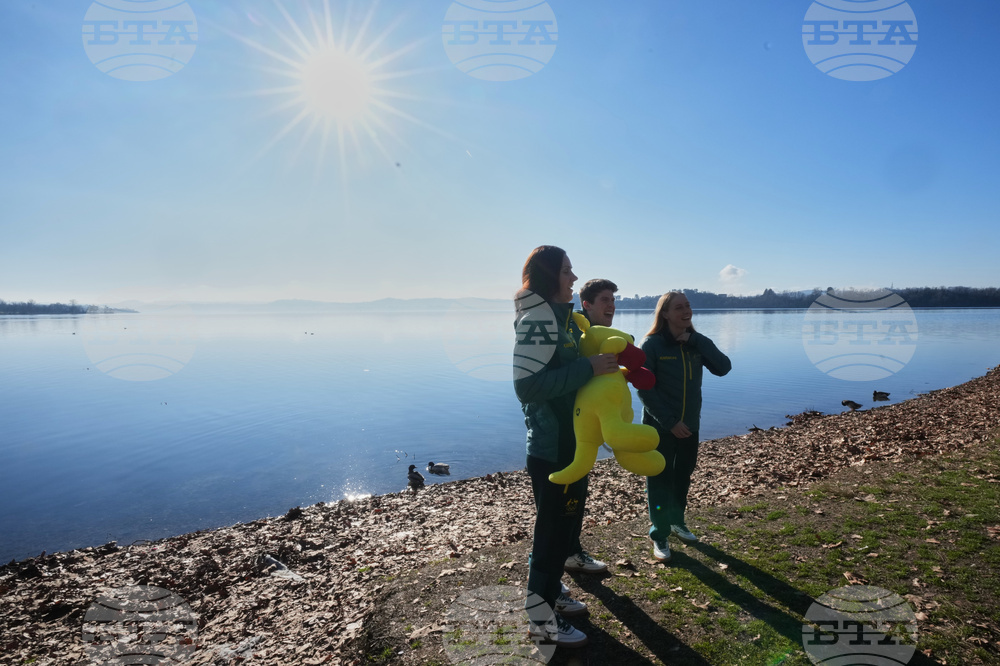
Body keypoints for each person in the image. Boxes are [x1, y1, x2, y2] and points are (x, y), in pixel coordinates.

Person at [513, 246, 619, 647]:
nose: (574, 279)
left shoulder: (562, 320)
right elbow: (527, 386)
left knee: (564, 527)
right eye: (566, 271)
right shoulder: (537, 320)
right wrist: (587, 368)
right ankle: (540, 621)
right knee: (552, 533)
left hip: (573, 443)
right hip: (552, 446)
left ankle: (551, 591)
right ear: (546, 276)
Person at [636, 291, 731, 562]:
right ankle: (660, 533)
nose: (686, 310)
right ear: (665, 314)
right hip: (661, 427)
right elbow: (645, 390)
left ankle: (677, 521)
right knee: (659, 480)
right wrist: (670, 422)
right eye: (679, 307)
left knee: (683, 475)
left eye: (688, 306)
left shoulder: (695, 343)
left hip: (690, 425)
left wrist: (697, 340)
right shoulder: (651, 345)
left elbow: (724, 367)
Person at [559, 278, 620, 575]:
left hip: (588, 425)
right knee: (568, 495)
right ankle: (565, 556)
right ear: (587, 304)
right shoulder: (573, 333)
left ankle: (571, 549)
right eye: (605, 300)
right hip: (566, 428)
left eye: (613, 299)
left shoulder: (602, 336)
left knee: (578, 490)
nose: (611, 305)